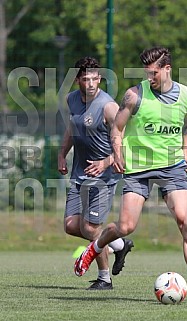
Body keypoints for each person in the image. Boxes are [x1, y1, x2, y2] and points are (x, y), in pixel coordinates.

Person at [74, 47, 187, 303]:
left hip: (172, 167)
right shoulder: (134, 96)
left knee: (186, 221)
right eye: (147, 73)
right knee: (127, 226)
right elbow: (117, 129)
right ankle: (95, 247)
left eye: (154, 73)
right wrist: (117, 154)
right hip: (138, 167)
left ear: (167, 69)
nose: (149, 77)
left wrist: (186, 151)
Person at [58, 56, 134, 290]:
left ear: (100, 79)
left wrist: (106, 161)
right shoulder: (72, 99)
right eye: (86, 79)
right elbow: (73, 127)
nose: (91, 83)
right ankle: (118, 244)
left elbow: (127, 139)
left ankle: (104, 279)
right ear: (78, 80)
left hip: (104, 176)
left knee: (90, 229)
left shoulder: (109, 106)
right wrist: (62, 154)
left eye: (95, 79)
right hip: (80, 173)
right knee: (71, 225)